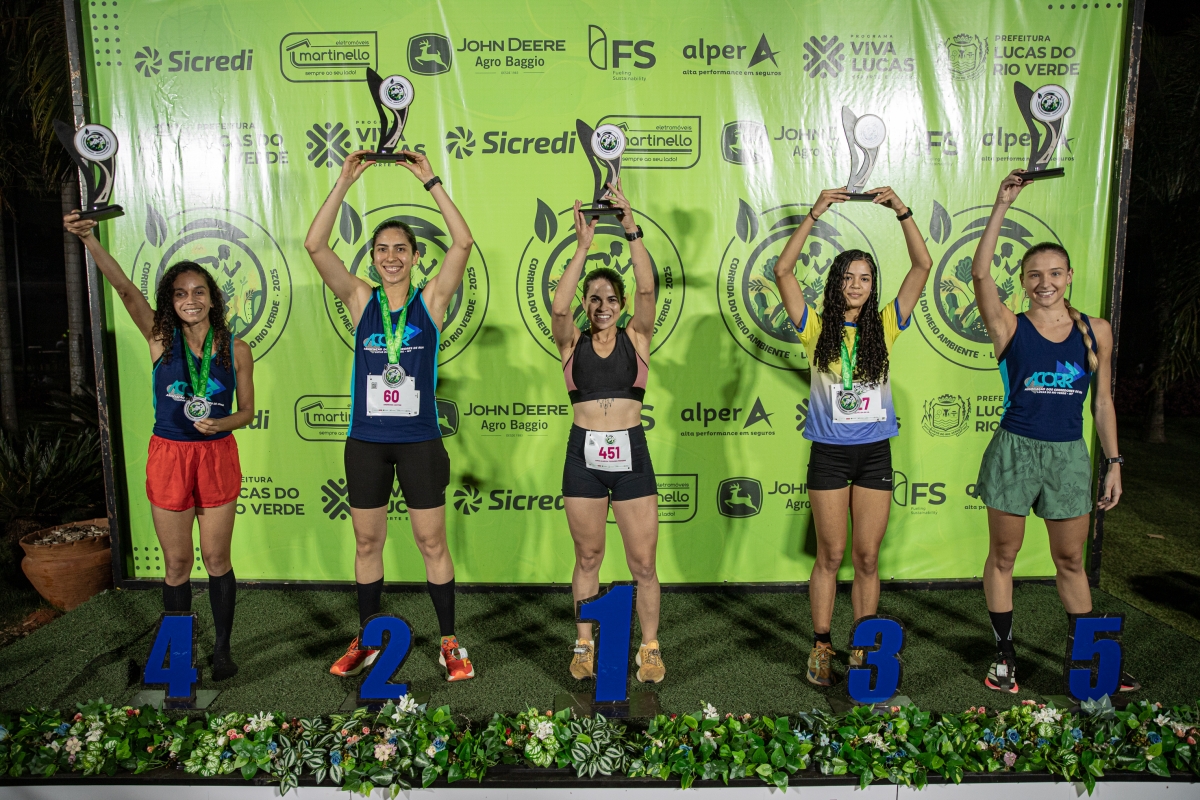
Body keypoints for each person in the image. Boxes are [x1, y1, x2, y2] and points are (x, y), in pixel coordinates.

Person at [304, 149, 476, 681]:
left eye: (401, 248)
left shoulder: (432, 302)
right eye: (382, 249)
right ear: (373, 258)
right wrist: (343, 181)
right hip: (367, 442)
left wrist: (431, 181)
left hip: (419, 440)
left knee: (432, 542)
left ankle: (449, 642)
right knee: (366, 542)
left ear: (416, 256)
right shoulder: (361, 300)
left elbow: (463, 243)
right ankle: (368, 639)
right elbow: (315, 246)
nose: (391, 257)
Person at [64, 212, 255, 681]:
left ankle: (223, 649)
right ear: (171, 301)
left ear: (213, 298)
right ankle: (179, 656)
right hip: (170, 455)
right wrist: (89, 239)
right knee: (176, 563)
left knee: (217, 560)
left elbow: (247, 412)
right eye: (181, 293)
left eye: (199, 292)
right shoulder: (160, 339)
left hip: (216, 454)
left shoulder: (237, 348)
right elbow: (125, 289)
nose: (191, 300)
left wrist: (221, 423)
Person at [971, 170, 1135, 694]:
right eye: (1035, 274)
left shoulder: (1096, 330)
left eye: (1055, 273)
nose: (1046, 282)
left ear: (1069, 276)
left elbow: (1102, 403)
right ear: (1023, 281)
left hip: (1068, 456)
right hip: (1014, 452)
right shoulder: (1009, 326)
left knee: (1070, 560)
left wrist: (1114, 463)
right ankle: (1004, 658)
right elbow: (979, 274)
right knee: (1004, 557)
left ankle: (1089, 663)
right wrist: (1001, 205)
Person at [772, 187, 932, 687]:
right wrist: (814, 213)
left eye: (865, 278)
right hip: (829, 456)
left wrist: (902, 211)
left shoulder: (886, 325)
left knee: (866, 557)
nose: (857, 285)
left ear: (872, 285)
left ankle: (862, 649)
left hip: (874, 455)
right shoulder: (814, 328)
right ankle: (822, 645)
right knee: (830, 556)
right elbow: (782, 271)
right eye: (848, 277)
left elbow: (922, 266)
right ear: (836, 282)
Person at [553, 181, 663, 683]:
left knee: (644, 564)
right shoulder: (570, 342)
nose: (602, 304)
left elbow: (647, 289)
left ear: (621, 304)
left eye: (610, 298)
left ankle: (650, 647)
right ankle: (583, 644)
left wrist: (630, 228)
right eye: (594, 297)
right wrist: (582, 247)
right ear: (586, 301)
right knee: (588, 557)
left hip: (631, 457)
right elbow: (559, 309)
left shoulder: (637, 337)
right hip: (584, 459)